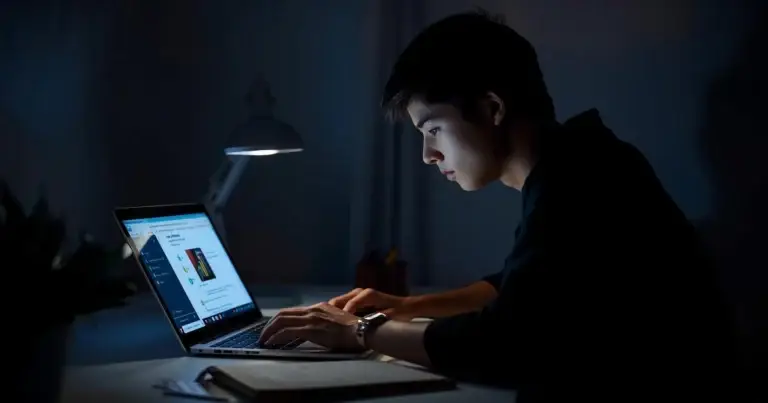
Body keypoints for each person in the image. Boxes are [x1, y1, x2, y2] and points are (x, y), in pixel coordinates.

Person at [259, 10, 740, 401]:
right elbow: (521, 288)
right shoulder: (583, 160)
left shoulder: (578, 180)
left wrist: (362, 331)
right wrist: (406, 306)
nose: (427, 155)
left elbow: (507, 345)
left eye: (433, 130)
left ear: (492, 109)